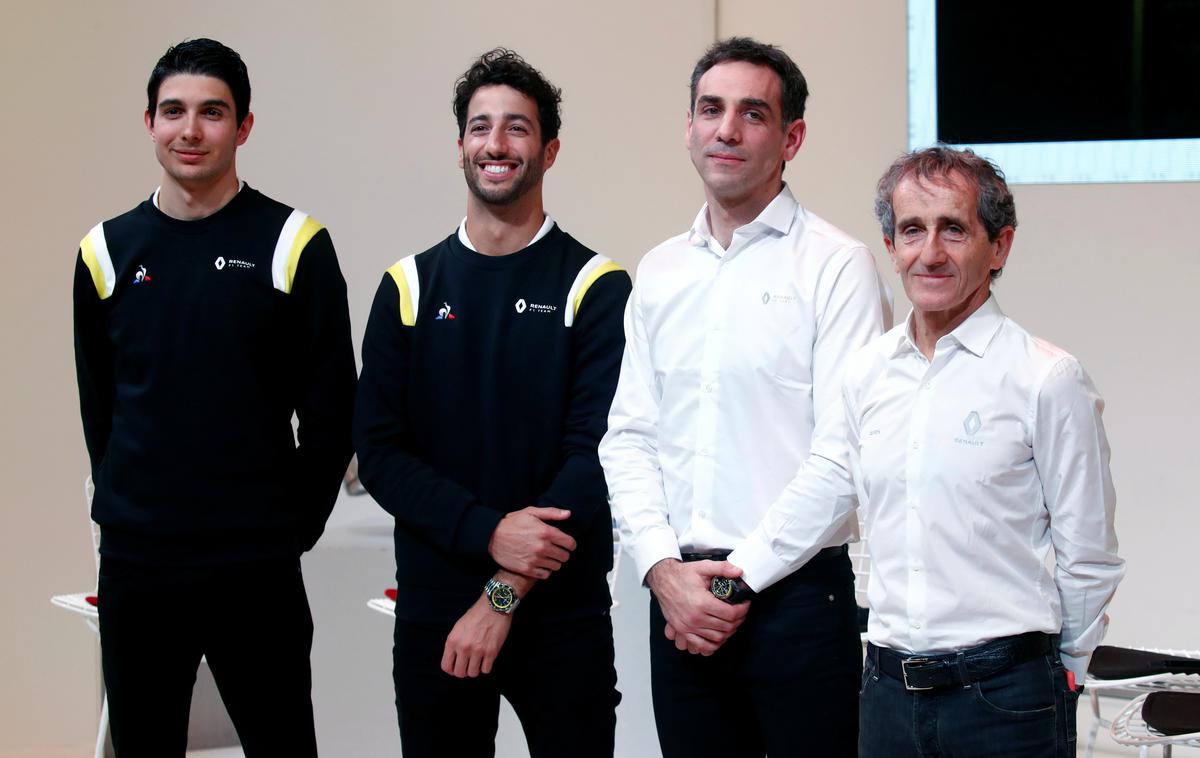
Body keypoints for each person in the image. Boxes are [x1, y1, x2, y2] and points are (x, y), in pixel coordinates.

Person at [599, 36, 891, 757]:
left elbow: (843, 453)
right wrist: (662, 570)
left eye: (751, 114)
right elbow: (629, 437)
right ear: (689, 127)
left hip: (795, 600)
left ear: (790, 137)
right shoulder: (661, 270)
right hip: (677, 597)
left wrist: (734, 585)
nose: (726, 130)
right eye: (710, 110)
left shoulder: (837, 265)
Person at [72, 38, 356, 756]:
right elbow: (100, 409)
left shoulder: (294, 244)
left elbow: (331, 418)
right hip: (139, 566)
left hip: (254, 566)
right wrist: (130, 513)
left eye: (211, 112)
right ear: (149, 123)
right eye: (173, 111)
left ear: (244, 126)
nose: (190, 130)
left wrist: (288, 529)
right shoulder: (105, 254)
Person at [353, 48, 629, 758]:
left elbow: (595, 458)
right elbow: (381, 455)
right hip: (434, 615)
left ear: (549, 149)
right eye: (481, 128)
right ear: (461, 148)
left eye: (517, 128)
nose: (496, 144)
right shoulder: (408, 288)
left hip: (560, 615)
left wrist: (502, 589)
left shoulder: (596, 287)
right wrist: (486, 532)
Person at [845, 146, 1124, 756]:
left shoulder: (1047, 378)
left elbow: (1089, 555)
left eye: (954, 229)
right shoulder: (865, 374)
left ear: (999, 247)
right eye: (912, 230)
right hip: (886, 693)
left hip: (1005, 699)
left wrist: (1066, 667)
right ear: (891, 248)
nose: (931, 252)